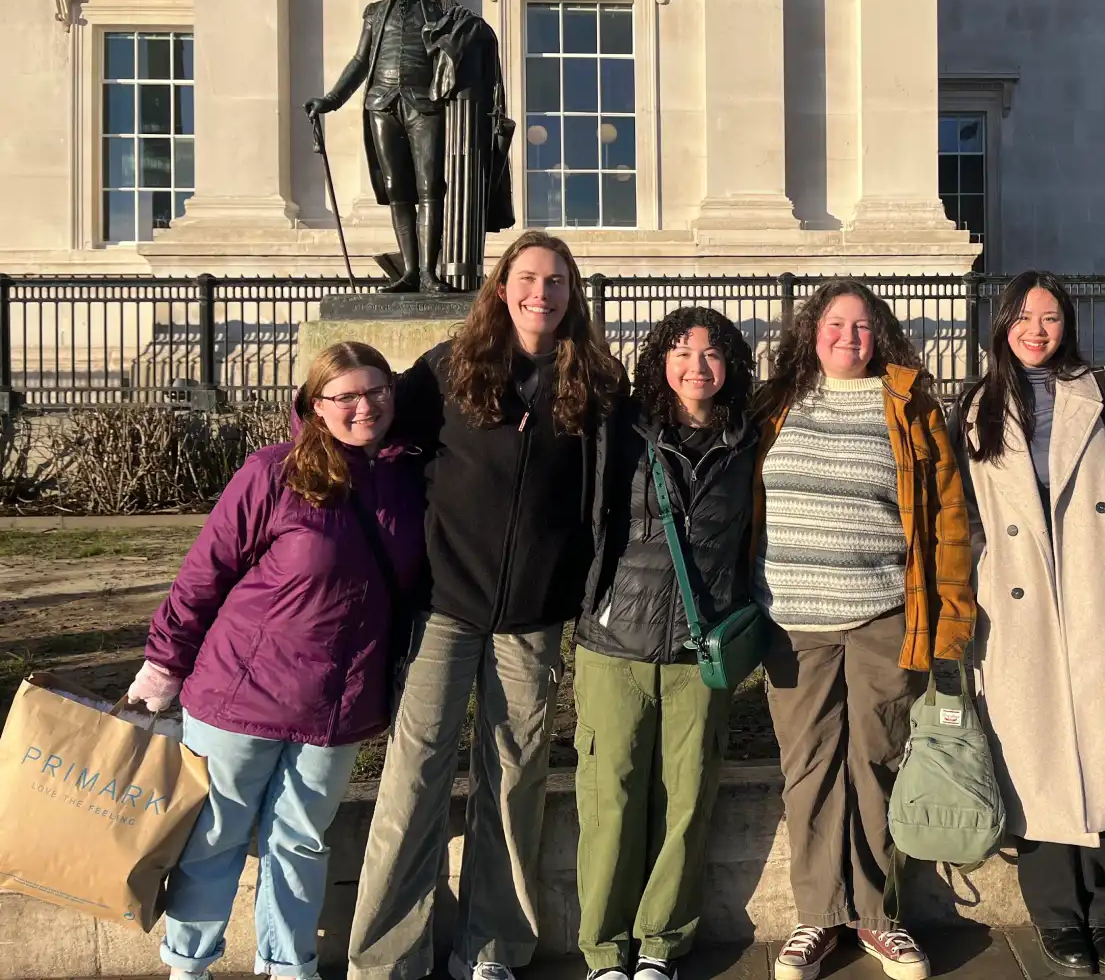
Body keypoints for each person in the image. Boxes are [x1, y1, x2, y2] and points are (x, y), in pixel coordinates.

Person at [346, 230, 625, 980]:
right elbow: (365, 426)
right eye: (529, 277)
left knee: (514, 777)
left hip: (534, 617)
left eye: (558, 280)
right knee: (415, 775)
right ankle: (386, 957)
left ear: (573, 294)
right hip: (444, 605)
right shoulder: (447, 367)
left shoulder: (595, 381)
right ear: (501, 288)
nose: (543, 292)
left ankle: (494, 946)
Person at [128, 341, 426, 980]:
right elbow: (203, 575)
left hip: (337, 705)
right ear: (316, 406)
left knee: (301, 841)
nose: (363, 406)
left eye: (376, 391)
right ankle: (188, 965)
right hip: (242, 693)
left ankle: (289, 967)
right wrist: (162, 666)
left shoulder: (408, 481)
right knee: (215, 836)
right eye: (344, 396)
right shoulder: (274, 472)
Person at [955, 272, 1105, 976]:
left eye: (1050, 317)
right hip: (1018, 605)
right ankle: (1057, 915)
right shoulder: (974, 405)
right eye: (1024, 317)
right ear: (1002, 325)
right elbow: (959, 507)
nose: (1037, 329)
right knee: (1036, 758)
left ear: (1067, 324)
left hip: (1102, 596)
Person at [753, 280, 974, 980]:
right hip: (793, 622)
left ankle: (877, 916)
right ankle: (817, 916)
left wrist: (951, 619)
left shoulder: (908, 406)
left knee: (878, 759)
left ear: (878, 336)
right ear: (811, 331)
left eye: (862, 326)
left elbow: (945, 517)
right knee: (809, 768)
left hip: (882, 615)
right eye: (835, 323)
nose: (848, 336)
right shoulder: (775, 405)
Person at [575, 307, 762, 980]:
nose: (696, 366)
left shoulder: (749, 440)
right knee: (610, 796)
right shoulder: (623, 430)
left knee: (687, 799)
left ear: (732, 365)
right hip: (614, 641)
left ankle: (660, 943)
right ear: (659, 359)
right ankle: (603, 947)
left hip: (699, 649)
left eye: (712, 354)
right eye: (682, 351)